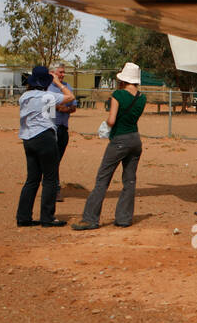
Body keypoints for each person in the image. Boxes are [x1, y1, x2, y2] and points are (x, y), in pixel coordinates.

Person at [72, 62, 146, 230]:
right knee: (129, 180)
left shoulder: (118, 95)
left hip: (119, 139)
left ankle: (90, 218)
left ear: (123, 79)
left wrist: (105, 126)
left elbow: (112, 120)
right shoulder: (142, 97)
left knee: (103, 179)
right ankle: (124, 218)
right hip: (135, 139)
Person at [17, 64, 73, 228]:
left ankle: (23, 216)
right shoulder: (47, 96)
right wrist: (59, 84)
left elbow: (48, 113)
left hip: (28, 138)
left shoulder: (24, 97)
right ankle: (47, 217)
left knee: (32, 179)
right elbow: (70, 96)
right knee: (50, 178)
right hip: (45, 137)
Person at [47, 62, 78, 198]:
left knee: (56, 160)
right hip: (50, 129)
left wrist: (62, 106)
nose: (63, 75)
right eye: (60, 72)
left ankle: (51, 186)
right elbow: (50, 107)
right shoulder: (46, 88)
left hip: (63, 129)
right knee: (52, 160)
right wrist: (61, 106)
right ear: (52, 73)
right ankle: (54, 189)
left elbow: (73, 106)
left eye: (63, 72)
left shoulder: (67, 87)